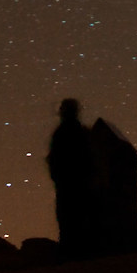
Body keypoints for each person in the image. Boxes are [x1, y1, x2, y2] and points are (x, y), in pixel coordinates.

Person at [46, 98, 96, 247]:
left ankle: (72, 249)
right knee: (76, 216)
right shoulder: (80, 133)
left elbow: (54, 159)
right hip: (75, 182)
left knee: (69, 217)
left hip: (70, 183)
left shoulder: (64, 133)